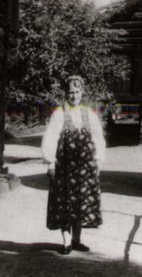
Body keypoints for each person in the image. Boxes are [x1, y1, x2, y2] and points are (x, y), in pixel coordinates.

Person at [41, 75, 106, 254]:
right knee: (64, 203)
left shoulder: (89, 113)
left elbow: (98, 138)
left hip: (85, 167)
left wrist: (98, 161)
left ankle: (77, 239)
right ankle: (67, 241)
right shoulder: (59, 113)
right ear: (66, 93)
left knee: (81, 203)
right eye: (71, 92)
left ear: (82, 92)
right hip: (64, 167)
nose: (74, 96)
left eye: (77, 92)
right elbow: (51, 138)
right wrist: (50, 163)